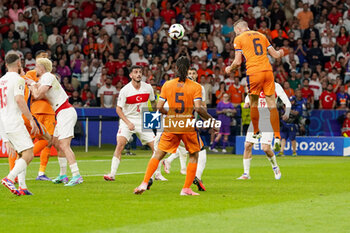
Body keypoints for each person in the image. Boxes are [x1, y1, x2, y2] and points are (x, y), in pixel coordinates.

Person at [134, 57, 218, 196]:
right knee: (194, 155)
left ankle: (144, 182)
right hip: (187, 125)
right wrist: (212, 120)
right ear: (188, 68)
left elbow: (159, 107)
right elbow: (198, 109)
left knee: (158, 154)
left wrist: (170, 114)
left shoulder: (167, 85)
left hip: (171, 124)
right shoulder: (196, 87)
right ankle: (186, 189)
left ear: (176, 69)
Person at [225, 20, 284, 152]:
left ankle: (256, 131)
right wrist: (282, 52)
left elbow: (238, 61)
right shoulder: (261, 35)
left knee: (253, 103)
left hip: (254, 73)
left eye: (235, 31)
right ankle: (278, 136)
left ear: (239, 29)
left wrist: (230, 68)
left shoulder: (239, 38)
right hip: (268, 71)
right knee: (272, 104)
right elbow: (275, 55)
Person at [27, 58, 83, 186]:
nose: (35, 68)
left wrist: (31, 85)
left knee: (64, 145)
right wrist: (33, 84)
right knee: (57, 144)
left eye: (36, 66)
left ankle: (76, 175)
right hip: (61, 112)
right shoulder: (44, 78)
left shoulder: (47, 76)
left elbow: (37, 95)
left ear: (42, 67)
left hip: (65, 112)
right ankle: (63, 175)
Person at [103, 66, 157, 181]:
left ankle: (156, 174)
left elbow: (153, 103)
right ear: (131, 75)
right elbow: (118, 109)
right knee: (120, 145)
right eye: (136, 72)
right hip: (127, 119)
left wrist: (153, 116)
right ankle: (112, 174)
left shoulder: (148, 88)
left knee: (156, 148)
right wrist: (128, 123)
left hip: (143, 119)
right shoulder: (125, 90)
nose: (138, 74)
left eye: (140, 72)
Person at [161, 67, 208, 191]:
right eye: (189, 73)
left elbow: (202, 106)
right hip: (185, 123)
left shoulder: (173, 85)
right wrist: (209, 121)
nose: (191, 75)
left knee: (165, 150)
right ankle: (195, 177)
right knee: (199, 151)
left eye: (193, 73)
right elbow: (200, 107)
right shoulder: (196, 88)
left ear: (197, 74)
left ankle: (147, 180)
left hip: (176, 123)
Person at [1, 53, 39, 196]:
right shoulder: (18, 79)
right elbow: (19, 100)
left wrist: (4, 136)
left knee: (21, 154)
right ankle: (9, 178)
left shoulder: (1, 81)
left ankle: (22, 186)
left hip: (5, 122)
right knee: (29, 153)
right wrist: (30, 119)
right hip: (15, 121)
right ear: (19, 64)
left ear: (6, 64)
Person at [237, 82, 290, 180]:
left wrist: (287, 112)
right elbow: (249, 97)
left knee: (265, 148)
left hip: (268, 118)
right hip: (256, 119)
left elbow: (287, 101)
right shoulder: (255, 85)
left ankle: (275, 167)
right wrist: (247, 102)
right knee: (248, 145)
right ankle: (246, 174)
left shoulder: (275, 86)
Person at [24, 51, 56, 181]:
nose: (44, 58)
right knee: (30, 141)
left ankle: (41, 173)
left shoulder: (50, 76)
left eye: (46, 57)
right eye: (42, 57)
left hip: (48, 111)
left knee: (48, 142)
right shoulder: (30, 74)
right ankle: (21, 165)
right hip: (35, 111)